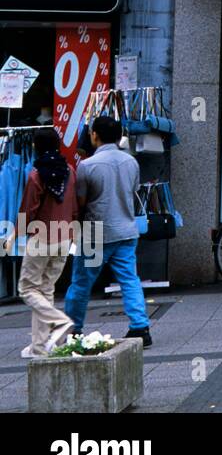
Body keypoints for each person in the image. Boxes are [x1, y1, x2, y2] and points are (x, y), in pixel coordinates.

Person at [63, 115, 152, 348]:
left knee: (81, 283)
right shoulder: (131, 162)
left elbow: (81, 201)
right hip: (126, 229)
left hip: (96, 232)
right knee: (129, 279)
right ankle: (140, 327)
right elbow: (134, 192)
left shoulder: (87, 165)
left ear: (94, 135)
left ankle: (74, 329)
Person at [9, 128, 78, 357]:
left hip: (41, 239)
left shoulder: (36, 175)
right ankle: (39, 347)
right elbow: (75, 207)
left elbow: (28, 210)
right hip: (64, 237)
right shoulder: (69, 170)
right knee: (45, 289)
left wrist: (13, 235)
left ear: (36, 147)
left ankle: (60, 322)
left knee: (27, 289)